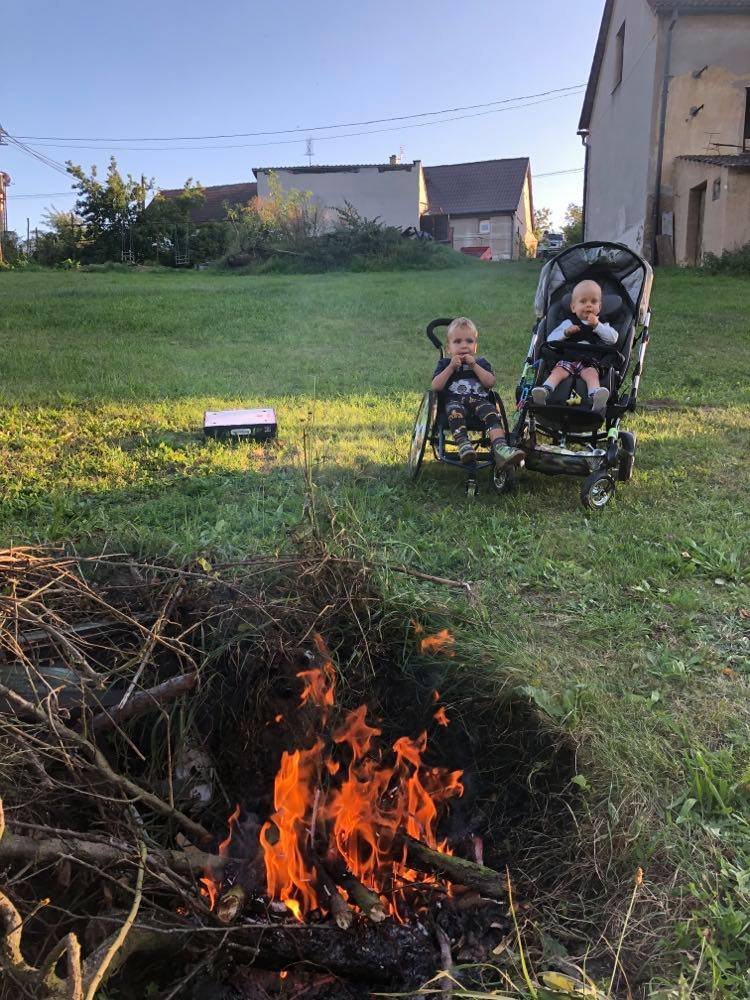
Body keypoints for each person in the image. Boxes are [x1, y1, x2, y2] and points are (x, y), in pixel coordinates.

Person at [431, 317, 524, 468]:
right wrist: (450, 368)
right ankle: (463, 445)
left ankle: (501, 448)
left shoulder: (481, 363)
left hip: (480, 402)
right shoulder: (445, 364)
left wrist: (474, 365)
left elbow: (490, 382)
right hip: (454, 402)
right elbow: (436, 386)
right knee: (455, 411)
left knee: (492, 412)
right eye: (457, 342)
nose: (464, 346)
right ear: (448, 348)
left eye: (469, 341)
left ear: (475, 346)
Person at [531, 279, 617, 414]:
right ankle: (545, 390)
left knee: (591, 374)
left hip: (590, 362)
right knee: (558, 371)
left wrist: (597, 326)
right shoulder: (568, 323)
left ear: (599, 307)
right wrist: (565, 333)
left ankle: (595, 397)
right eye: (583, 301)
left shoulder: (602, 325)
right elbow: (550, 340)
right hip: (568, 360)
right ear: (573, 307)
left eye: (593, 302)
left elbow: (613, 339)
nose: (588, 305)